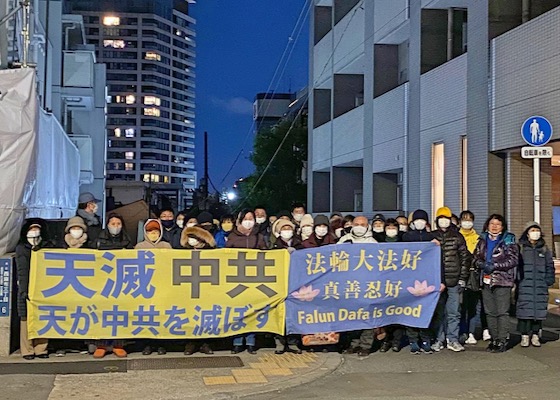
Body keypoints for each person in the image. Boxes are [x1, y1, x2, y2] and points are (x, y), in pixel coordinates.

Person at [473, 214, 519, 353]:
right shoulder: (482, 240)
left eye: (498, 224)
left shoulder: (508, 240)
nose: (494, 226)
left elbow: (513, 260)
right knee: (490, 312)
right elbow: (475, 257)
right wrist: (480, 264)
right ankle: (494, 338)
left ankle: (502, 340)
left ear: (502, 226)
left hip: (502, 280)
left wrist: (495, 265)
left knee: (502, 312)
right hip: (485, 280)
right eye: (492, 223)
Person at [430, 207, 471, 353]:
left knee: (454, 312)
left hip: (454, 279)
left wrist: (462, 278)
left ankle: (453, 339)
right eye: (441, 217)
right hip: (437, 281)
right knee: (439, 312)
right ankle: (439, 339)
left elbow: (465, 258)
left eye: (446, 218)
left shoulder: (458, 236)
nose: (444, 220)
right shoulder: (431, 236)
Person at [227, 209, 267, 354]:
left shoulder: (259, 237)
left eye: (251, 218)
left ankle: (251, 341)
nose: (249, 220)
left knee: (252, 309)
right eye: (246, 218)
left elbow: (266, 254)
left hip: (254, 278)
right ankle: (237, 341)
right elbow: (225, 255)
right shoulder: (233, 236)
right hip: (236, 278)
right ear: (240, 220)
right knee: (237, 310)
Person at [93, 213, 133, 358]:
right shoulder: (99, 240)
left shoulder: (127, 241)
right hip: (103, 282)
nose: (115, 227)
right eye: (113, 223)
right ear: (107, 225)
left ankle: (118, 344)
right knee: (102, 313)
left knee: (119, 313)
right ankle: (101, 344)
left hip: (121, 282)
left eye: (118, 224)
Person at [402, 209, 442, 355]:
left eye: (422, 220)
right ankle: (413, 341)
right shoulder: (406, 237)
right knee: (410, 311)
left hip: (427, 280)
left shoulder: (432, 238)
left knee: (426, 311)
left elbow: (438, 262)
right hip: (410, 279)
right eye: (417, 220)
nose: (420, 223)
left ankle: (426, 340)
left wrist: (440, 280)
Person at [337, 216, 377, 356]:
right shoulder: (345, 240)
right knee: (351, 317)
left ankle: (366, 345)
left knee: (367, 316)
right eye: (357, 224)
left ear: (368, 226)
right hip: (348, 284)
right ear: (352, 225)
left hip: (367, 284)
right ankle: (353, 344)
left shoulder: (372, 243)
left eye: (362, 224)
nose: (359, 226)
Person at [16, 218, 54, 360]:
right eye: (32, 229)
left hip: (44, 289)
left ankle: (41, 348)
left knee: (43, 318)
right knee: (26, 319)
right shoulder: (22, 248)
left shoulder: (47, 246)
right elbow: (22, 270)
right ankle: (27, 350)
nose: (34, 231)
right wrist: (24, 290)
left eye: (37, 228)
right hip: (27, 288)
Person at [134, 219, 171, 355]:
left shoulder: (166, 246)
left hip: (162, 285)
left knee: (161, 315)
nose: (153, 234)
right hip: (145, 286)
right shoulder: (139, 247)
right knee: (146, 316)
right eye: (150, 231)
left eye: (156, 231)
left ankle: (161, 344)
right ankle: (147, 344)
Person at [516, 222, 555, 348]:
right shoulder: (521, 248)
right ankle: (524, 335)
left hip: (540, 285)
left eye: (537, 230)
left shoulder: (544, 249)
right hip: (524, 284)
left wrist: (549, 280)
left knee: (538, 312)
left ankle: (536, 334)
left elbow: (550, 266)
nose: (535, 233)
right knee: (524, 311)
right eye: (532, 230)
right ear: (527, 233)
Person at [180, 224, 216, 355]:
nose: (192, 240)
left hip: (207, 288)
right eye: (190, 237)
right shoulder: (182, 252)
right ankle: (190, 344)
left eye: (195, 237)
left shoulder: (212, 252)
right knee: (189, 315)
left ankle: (204, 343)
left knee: (205, 316)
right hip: (187, 287)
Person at [458, 210, 488, 345]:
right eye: (464, 219)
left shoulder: (478, 239)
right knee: (459, 306)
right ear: (460, 221)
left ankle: (470, 331)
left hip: (474, 275)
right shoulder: (456, 237)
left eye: (470, 219)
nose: (467, 222)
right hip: (459, 274)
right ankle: (461, 331)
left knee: (473, 306)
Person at [379, 219, 406, 353]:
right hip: (383, 282)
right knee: (385, 313)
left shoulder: (404, 242)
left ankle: (396, 341)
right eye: (388, 227)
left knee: (398, 314)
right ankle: (386, 340)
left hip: (399, 282)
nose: (391, 230)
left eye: (393, 227)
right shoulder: (378, 242)